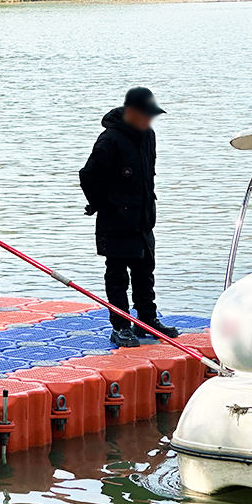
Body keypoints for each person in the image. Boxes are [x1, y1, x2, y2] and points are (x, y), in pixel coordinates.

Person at [79, 87, 179, 347]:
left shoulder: (149, 136)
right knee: (117, 277)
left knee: (145, 272)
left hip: (143, 219)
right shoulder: (109, 139)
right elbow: (88, 176)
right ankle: (121, 326)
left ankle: (146, 321)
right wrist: (100, 204)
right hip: (115, 221)